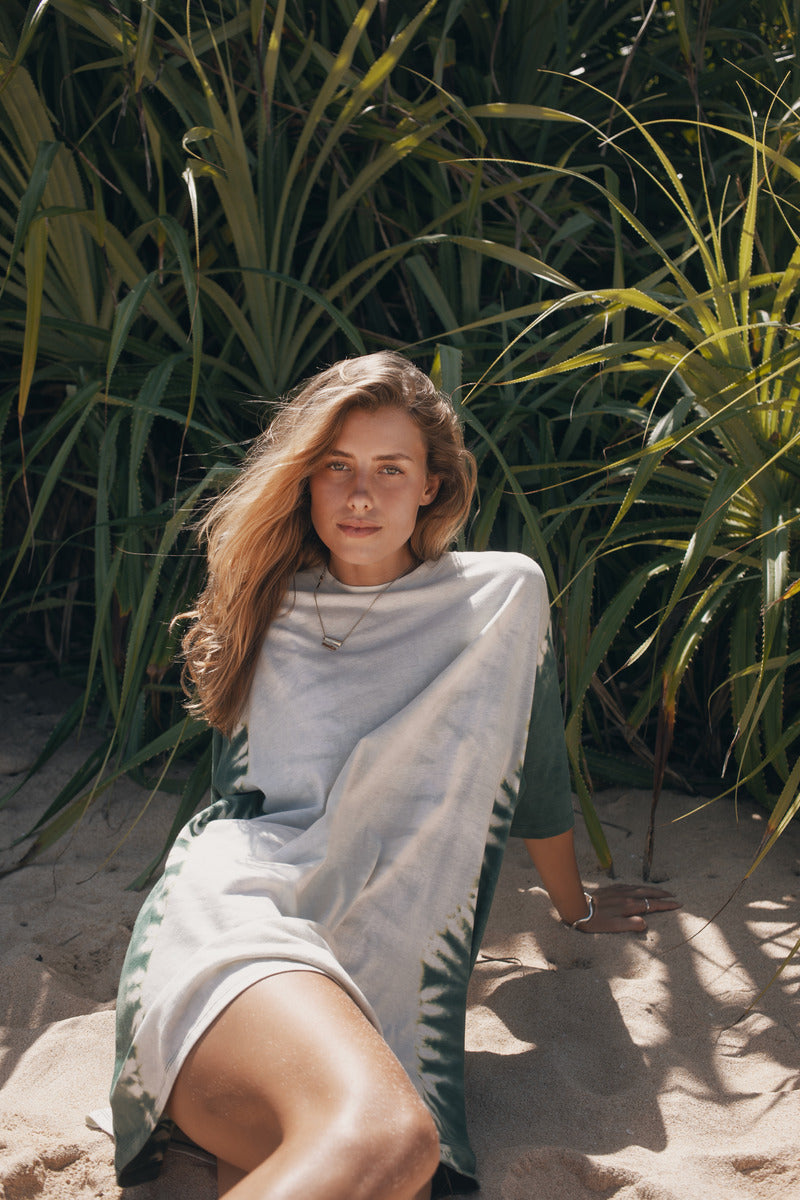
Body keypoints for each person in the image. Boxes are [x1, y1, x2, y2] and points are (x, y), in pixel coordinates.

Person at [110, 351, 679, 1200]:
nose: (361, 495)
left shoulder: (499, 599)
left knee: (371, 1158)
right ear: (305, 482)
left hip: (382, 951)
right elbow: (248, 806)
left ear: (432, 488)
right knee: (389, 1142)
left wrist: (576, 907)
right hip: (244, 918)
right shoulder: (267, 608)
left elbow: (535, 777)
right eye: (335, 467)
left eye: (389, 469)